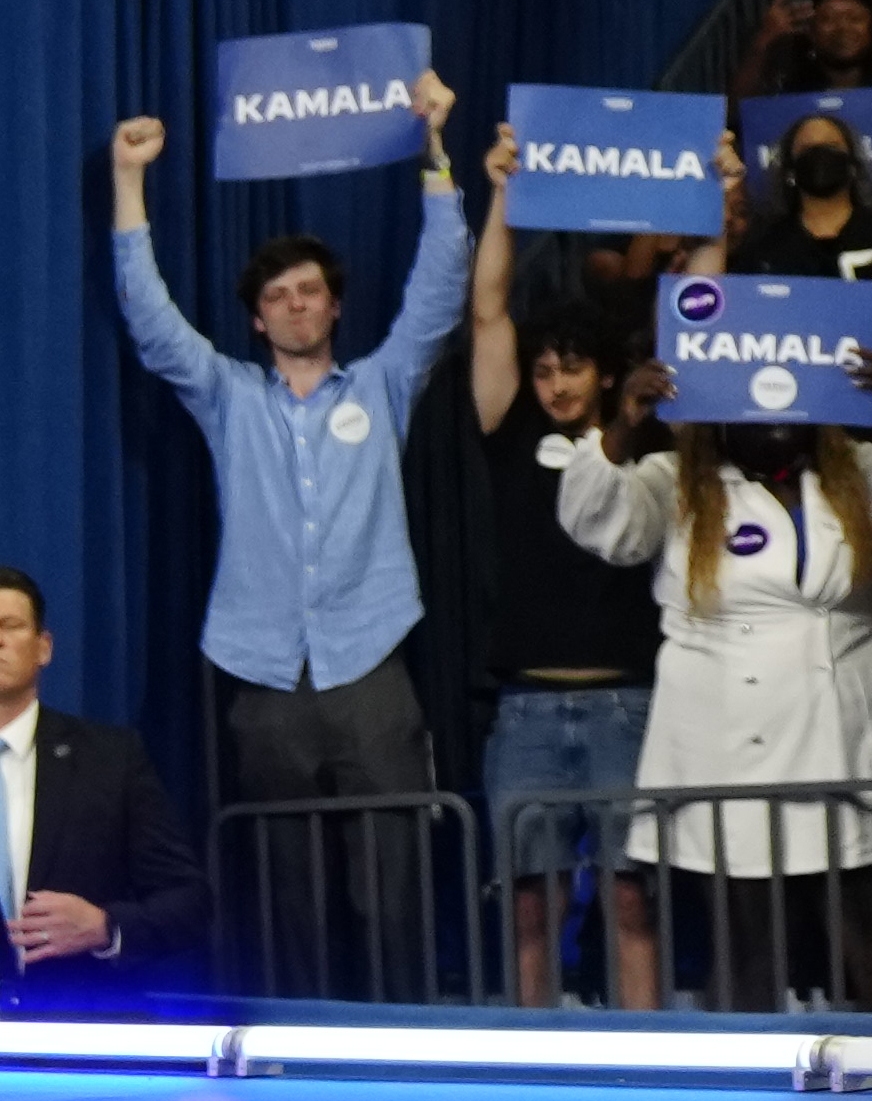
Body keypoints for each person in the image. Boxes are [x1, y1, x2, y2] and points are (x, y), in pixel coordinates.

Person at [108, 89, 472, 1002]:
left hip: (371, 664)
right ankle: (301, 1048)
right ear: (259, 321)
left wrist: (435, 145)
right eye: (278, 296)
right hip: (263, 670)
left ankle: (401, 1044)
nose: (297, 303)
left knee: (390, 882)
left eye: (310, 290)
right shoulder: (229, 395)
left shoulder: (382, 384)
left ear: (334, 307)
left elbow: (439, 288)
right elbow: (152, 324)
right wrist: (127, 179)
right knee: (289, 890)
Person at [557, 317, 872, 1013]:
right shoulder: (677, 483)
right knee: (749, 942)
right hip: (730, 746)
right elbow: (595, 523)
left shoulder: (855, 476)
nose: (776, 421)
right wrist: (624, 427)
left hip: (848, 731)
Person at [458, 132, 661, 1011]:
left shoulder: (641, 443)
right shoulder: (510, 430)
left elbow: (708, 309)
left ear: (607, 375)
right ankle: (531, 1058)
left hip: (627, 699)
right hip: (528, 706)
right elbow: (490, 312)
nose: (554, 384)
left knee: (630, 899)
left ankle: (655, 1066)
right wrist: (501, 192)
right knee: (530, 907)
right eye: (543, 370)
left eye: (572, 367)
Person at [0, 566, 205, 1007]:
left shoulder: (110, 760)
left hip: (76, 1028)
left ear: (44, 647)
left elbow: (189, 902)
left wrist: (106, 927)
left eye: (10, 626)